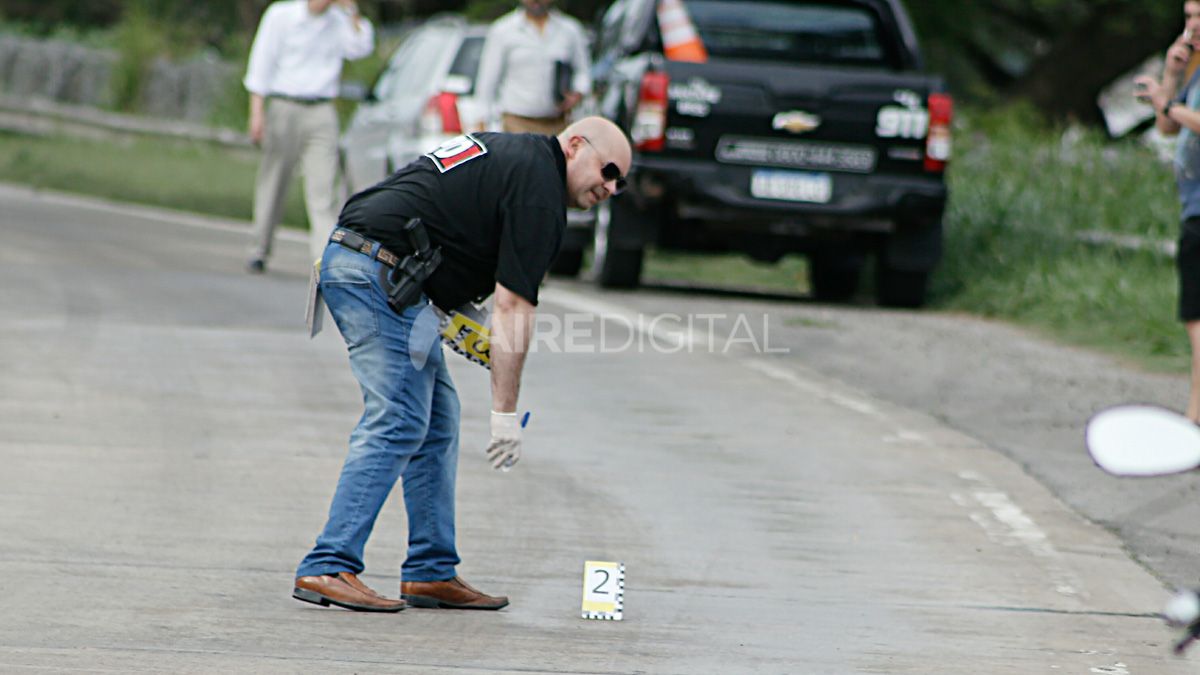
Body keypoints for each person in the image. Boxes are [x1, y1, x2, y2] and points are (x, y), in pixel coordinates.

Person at [291, 116, 632, 612]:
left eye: (621, 182)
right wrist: (503, 416)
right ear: (575, 145)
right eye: (608, 171)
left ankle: (430, 571)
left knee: (435, 418)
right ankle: (328, 562)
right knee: (402, 417)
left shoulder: (518, 159)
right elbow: (514, 306)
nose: (611, 187)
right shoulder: (540, 185)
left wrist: (459, 312)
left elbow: (447, 220)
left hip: (380, 269)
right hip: (375, 271)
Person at [242, 0, 374, 274]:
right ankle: (260, 247)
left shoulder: (339, 21)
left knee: (323, 189)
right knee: (274, 179)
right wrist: (257, 112)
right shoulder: (282, 15)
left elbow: (361, 47)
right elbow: (261, 64)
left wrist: (350, 10)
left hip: (322, 109)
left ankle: (322, 258)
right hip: (284, 104)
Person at [1135, 0, 1200, 421]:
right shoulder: (1197, 72)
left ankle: (1196, 424)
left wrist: (1166, 102)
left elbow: (1173, 115)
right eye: (1189, 17)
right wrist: (1173, 76)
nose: (1192, 27)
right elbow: (1167, 127)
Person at [475, 0, 592, 135]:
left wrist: (577, 93)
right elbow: (487, 81)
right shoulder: (503, 30)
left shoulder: (570, 30)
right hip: (517, 123)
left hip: (558, 123)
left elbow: (583, 71)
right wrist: (481, 120)